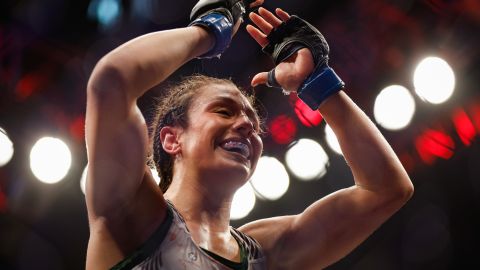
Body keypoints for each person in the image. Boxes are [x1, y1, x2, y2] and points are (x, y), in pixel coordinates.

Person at [85, 0, 414, 269]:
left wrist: (318, 84)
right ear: (172, 139)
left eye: (254, 124)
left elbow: (385, 189)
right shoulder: (132, 212)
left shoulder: (263, 253)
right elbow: (112, 81)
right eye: (223, 111)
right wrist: (208, 31)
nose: (246, 126)